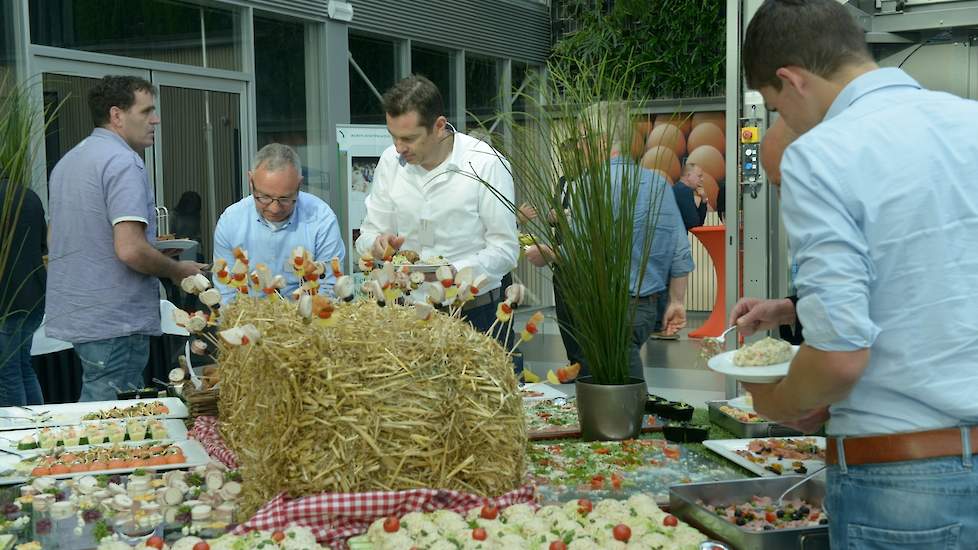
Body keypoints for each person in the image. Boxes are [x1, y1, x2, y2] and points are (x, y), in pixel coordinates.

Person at [738, 1, 978, 546]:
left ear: (790, 80)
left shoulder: (822, 154)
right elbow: (931, 279)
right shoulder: (969, 121)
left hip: (904, 485)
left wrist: (776, 402)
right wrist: (797, 308)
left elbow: (841, 358)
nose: (786, 125)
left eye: (776, 108)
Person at [46, 75, 206, 402]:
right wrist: (176, 270)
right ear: (117, 115)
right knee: (112, 423)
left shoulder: (69, 162)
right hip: (117, 320)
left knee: (95, 414)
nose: (155, 119)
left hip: (82, 314)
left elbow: (57, 238)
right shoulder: (123, 162)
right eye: (146, 111)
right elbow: (131, 249)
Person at [525, 108, 693, 382]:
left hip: (606, 311)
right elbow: (680, 251)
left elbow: (576, 254)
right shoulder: (658, 184)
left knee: (610, 384)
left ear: (600, 141)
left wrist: (548, 254)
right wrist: (677, 301)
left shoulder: (588, 185)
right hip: (646, 310)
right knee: (623, 370)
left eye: (581, 140)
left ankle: (624, 422)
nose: (578, 149)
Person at [354, 75, 519, 338]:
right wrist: (377, 245)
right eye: (393, 136)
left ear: (439, 126)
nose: (398, 148)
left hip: (473, 314)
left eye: (408, 138)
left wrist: (454, 272)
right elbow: (367, 237)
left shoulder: (485, 163)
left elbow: (506, 250)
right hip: (406, 312)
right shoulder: (389, 161)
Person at [213, 143, 345, 302]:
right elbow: (226, 294)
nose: (274, 209)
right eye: (264, 197)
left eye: (285, 199)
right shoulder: (231, 221)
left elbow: (329, 288)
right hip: (248, 319)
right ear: (250, 181)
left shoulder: (321, 218)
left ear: (299, 185)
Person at [0, 181, 46, 406]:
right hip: (34, 292)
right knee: (22, 367)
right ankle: (38, 429)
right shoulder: (29, 196)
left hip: (6, 298)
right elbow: (42, 245)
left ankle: (18, 434)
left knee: (7, 373)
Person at [672, 163, 708, 231]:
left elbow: (698, 223)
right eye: (699, 176)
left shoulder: (677, 188)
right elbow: (695, 223)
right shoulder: (684, 190)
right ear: (688, 176)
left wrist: (704, 200)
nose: (702, 179)